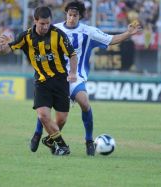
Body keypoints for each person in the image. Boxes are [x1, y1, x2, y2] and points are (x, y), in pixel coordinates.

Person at [30, 0, 142, 156]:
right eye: (70, 15)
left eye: (75, 15)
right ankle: (37, 133)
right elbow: (35, 35)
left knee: (84, 102)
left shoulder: (89, 32)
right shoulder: (54, 29)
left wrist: (128, 33)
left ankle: (89, 141)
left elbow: (110, 40)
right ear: (66, 14)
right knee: (48, 109)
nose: (72, 18)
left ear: (80, 16)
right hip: (55, 76)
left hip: (76, 77)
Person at [0, 6, 78, 156]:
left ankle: (50, 140)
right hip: (42, 81)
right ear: (35, 21)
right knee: (43, 115)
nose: (45, 27)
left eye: (48, 23)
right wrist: (1, 48)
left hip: (60, 80)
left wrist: (72, 72)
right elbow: (10, 48)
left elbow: (72, 55)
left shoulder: (58, 35)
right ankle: (63, 147)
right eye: (42, 24)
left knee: (61, 119)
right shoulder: (25, 36)